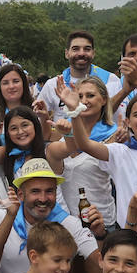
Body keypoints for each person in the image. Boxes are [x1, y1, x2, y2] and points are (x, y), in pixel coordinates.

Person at [68, 91, 137, 244]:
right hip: (132, 245)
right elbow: (84, 144)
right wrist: (74, 111)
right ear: (128, 122)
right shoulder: (119, 153)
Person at [0, 158, 101, 273]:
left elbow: (99, 261)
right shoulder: (1, 218)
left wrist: (100, 235)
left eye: (49, 191)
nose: (43, 199)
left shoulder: (69, 223)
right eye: (35, 191)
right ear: (21, 195)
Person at [44, 75, 118, 229]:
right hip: (67, 225)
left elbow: (84, 145)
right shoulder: (63, 131)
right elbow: (54, 150)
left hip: (102, 223)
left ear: (104, 100)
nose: (84, 101)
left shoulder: (115, 136)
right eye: (79, 96)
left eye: (90, 95)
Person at [37, 30, 122, 117]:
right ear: (67, 53)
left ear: (93, 53)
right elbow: (39, 118)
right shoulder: (53, 85)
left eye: (87, 49)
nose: (81, 53)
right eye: (75, 49)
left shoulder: (110, 80)